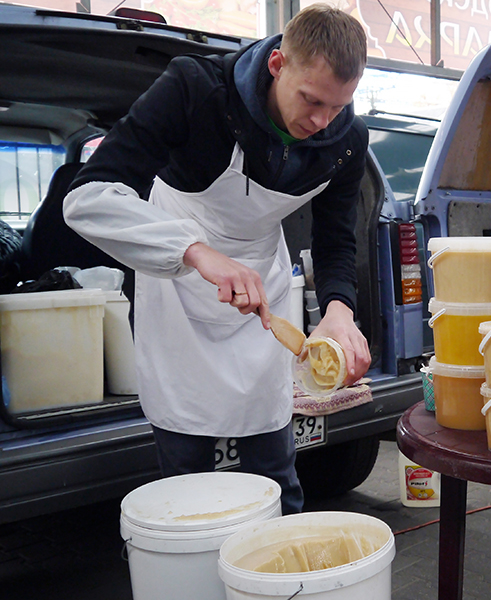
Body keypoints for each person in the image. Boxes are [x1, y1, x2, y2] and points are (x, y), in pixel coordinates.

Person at [62, 4, 372, 514]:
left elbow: (337, 238)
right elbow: (87, 197)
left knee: (274, 469)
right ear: (277, 64)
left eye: (337, 108)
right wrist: (196, 252)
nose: (321, 122)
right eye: (311, 100)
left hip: (261, 293)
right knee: (187, 474)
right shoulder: (196, 90)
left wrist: (338, 311)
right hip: (175, 278)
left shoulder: (345, 143)